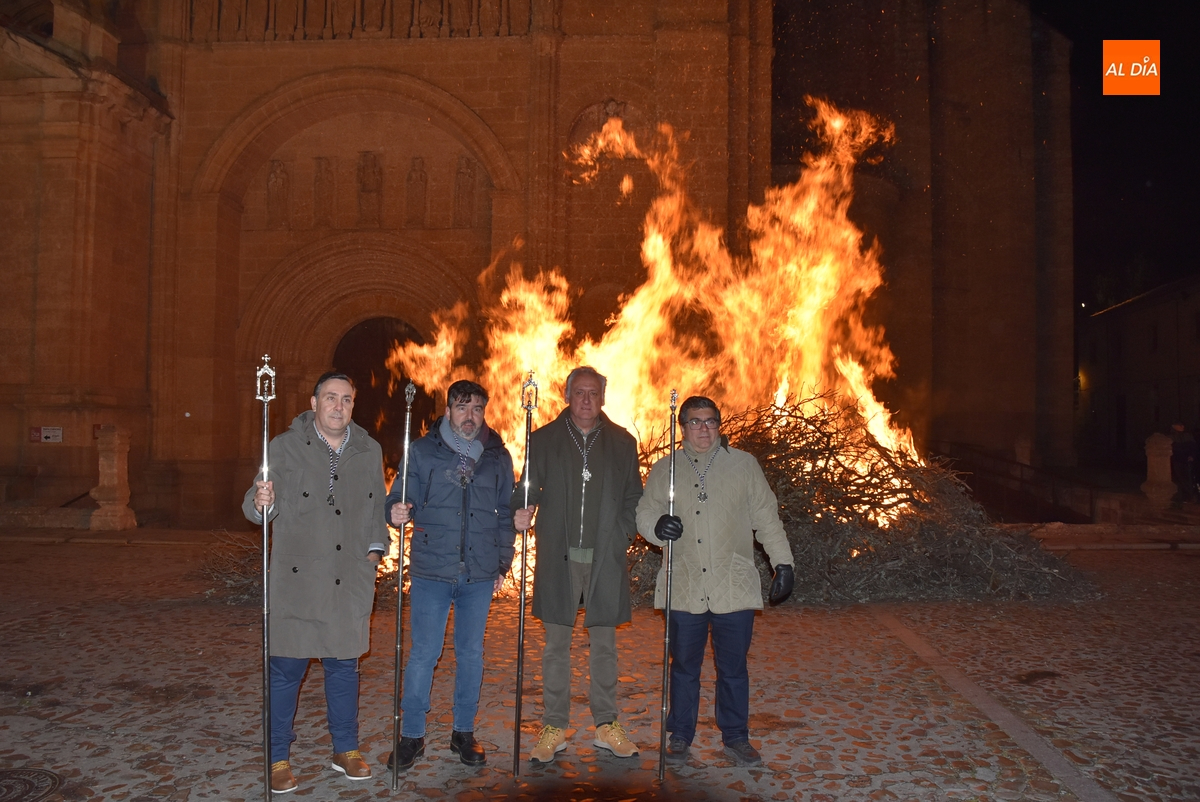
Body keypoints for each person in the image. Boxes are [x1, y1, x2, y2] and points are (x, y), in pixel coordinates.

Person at [243, 372, 388, 794]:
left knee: (344, 668)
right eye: (330, 397)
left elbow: (376, 508)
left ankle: (345, 749)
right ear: (314, 402)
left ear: (353, 405)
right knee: (287, 669)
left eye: (346, 399)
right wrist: (260, 502)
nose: (338, 406)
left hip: (349, 580)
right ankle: (277, 757)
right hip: (298, 582)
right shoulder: (284, 447)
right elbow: (256, 509)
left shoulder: (369, 449)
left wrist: (375, 553)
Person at [635, 395, 794, 767]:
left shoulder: (743, 465)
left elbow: (766, 517)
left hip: (732, 584)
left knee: (734, 668)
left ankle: (736, 736)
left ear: (720, 425)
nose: (703, 429)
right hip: (686, 584)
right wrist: (657, 527)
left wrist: (783, 563)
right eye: (695, 422)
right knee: (685, 666)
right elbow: (645, 511)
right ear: (683, 427)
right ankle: (680, 735)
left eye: (710, 421)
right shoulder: (666, 468)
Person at [381, 380, 516, 771]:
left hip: (478, 574)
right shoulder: (422, 452)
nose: (469, 416)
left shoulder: (497, 457)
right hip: (431, 572)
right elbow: (396, 496)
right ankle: (412, 736)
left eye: (476, 408)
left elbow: (507, 513)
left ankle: (463, 733)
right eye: (462, 407)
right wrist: (395, 511)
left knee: (471, 655)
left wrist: (502, 563)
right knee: (424, 654)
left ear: (484, 411)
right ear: (448, 411)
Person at [512, 366, 644, 763]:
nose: (586, 400)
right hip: (559, 554)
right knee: (556, 646)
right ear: (567, 394)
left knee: (604, 645)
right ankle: (555, 724)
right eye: (579, 392)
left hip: (604, 556)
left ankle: (606, 724)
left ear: (603, 396)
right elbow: (527, 487)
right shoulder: (545, 438)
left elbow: (634, 496)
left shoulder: (622, 442)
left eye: (594, 393)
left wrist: (622, 531)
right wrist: (522, 509)